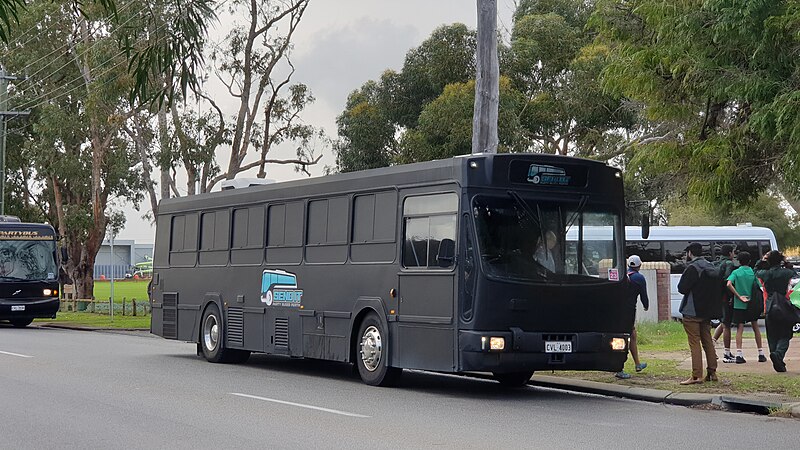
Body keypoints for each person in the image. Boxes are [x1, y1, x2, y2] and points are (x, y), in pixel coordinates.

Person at [677, 242, 720, 384]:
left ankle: (696, 375)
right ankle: (712, 372)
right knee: (707, 341)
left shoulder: (692, 268)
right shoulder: (711, 267)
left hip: (692, 311)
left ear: (690, 253)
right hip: (707, 311)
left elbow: (682, 288)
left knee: (694, 343)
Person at [756, 251, 796, 372]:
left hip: (769, 306)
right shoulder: (786, 273)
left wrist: (762, 260)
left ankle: (775, 354)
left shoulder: (765, 274)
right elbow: (792, 271)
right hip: (783, 305)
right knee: (785, 334)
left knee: (772, 335)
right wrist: (785, 261)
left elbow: (755, 270)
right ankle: (778, 354)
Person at [725, 251, 767, 363]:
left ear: (738, 260)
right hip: (752, 304)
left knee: (740, 328)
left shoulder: (736, 272)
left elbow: (728, 283)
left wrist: (738, 296)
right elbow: (760, 287)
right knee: (755, 327)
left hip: (739, 304)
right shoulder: (752, 273)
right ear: (749, 261)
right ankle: (761, 353)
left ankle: (739, 354)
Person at [615, 255, 649, 379]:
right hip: (629, 311)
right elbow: (643, 295)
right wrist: (646, 305)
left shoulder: (622, 275)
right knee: (624, 337)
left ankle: (638, 364)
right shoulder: (639, 278)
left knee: (632, 335)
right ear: (639, 265)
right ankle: (619, 368)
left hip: (618, 310)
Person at [712, 245, 736, 362]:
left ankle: (712, 343)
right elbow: (728, 280)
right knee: (727, 324)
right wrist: (731, 296)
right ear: (730, 253)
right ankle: (727, 352)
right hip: (725, 297)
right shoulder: (729, 264)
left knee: (723, 322)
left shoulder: (715, 263)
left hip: (715, 296)